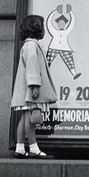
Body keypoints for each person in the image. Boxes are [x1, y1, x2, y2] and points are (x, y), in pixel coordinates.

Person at [11, 14, 58, 159]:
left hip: (25, 90)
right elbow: (32, 66)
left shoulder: (28, 44)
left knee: (24, 118)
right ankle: (34, 148)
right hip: (30, 90)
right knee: (31, 119)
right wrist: (35, 85)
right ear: (36, 28)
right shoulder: (32, 45)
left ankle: (19, 148)